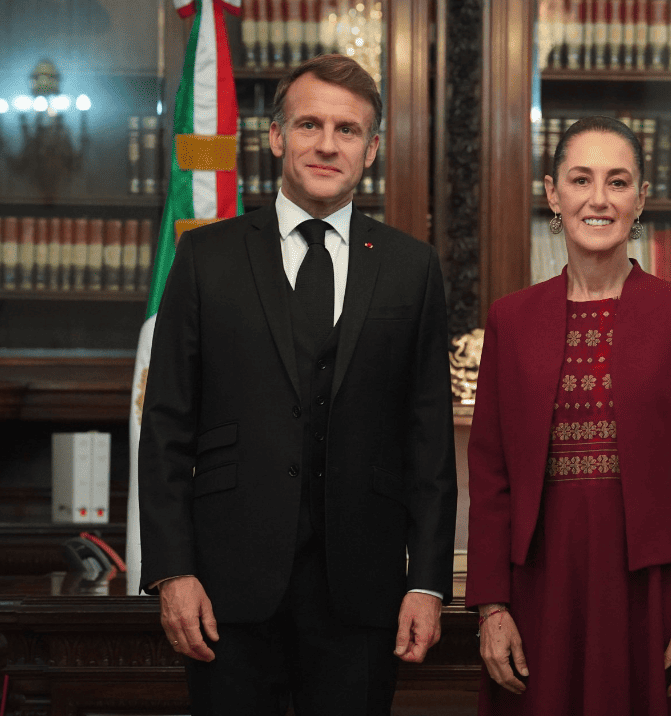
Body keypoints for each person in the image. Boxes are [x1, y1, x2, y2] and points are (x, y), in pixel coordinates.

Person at [139, 54, 457, 716]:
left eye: (347, 130)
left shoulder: (411, 268)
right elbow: (167, 425)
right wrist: (173, 571)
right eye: (310, 124)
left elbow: (427, 441)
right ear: (277, 136)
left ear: (371, 149)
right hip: (226, 590)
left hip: (362, 592)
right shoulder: (206, 258)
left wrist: (426, 583)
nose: (327, 143)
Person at [466, 116, 671, 715]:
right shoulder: (511, 320)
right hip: (540, 586)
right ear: (552, 194)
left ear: (641, 200)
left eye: (617, 182)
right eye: (580, 180)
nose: (598, 199)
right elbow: (490, 476)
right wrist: (490, 606)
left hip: (655, 592)